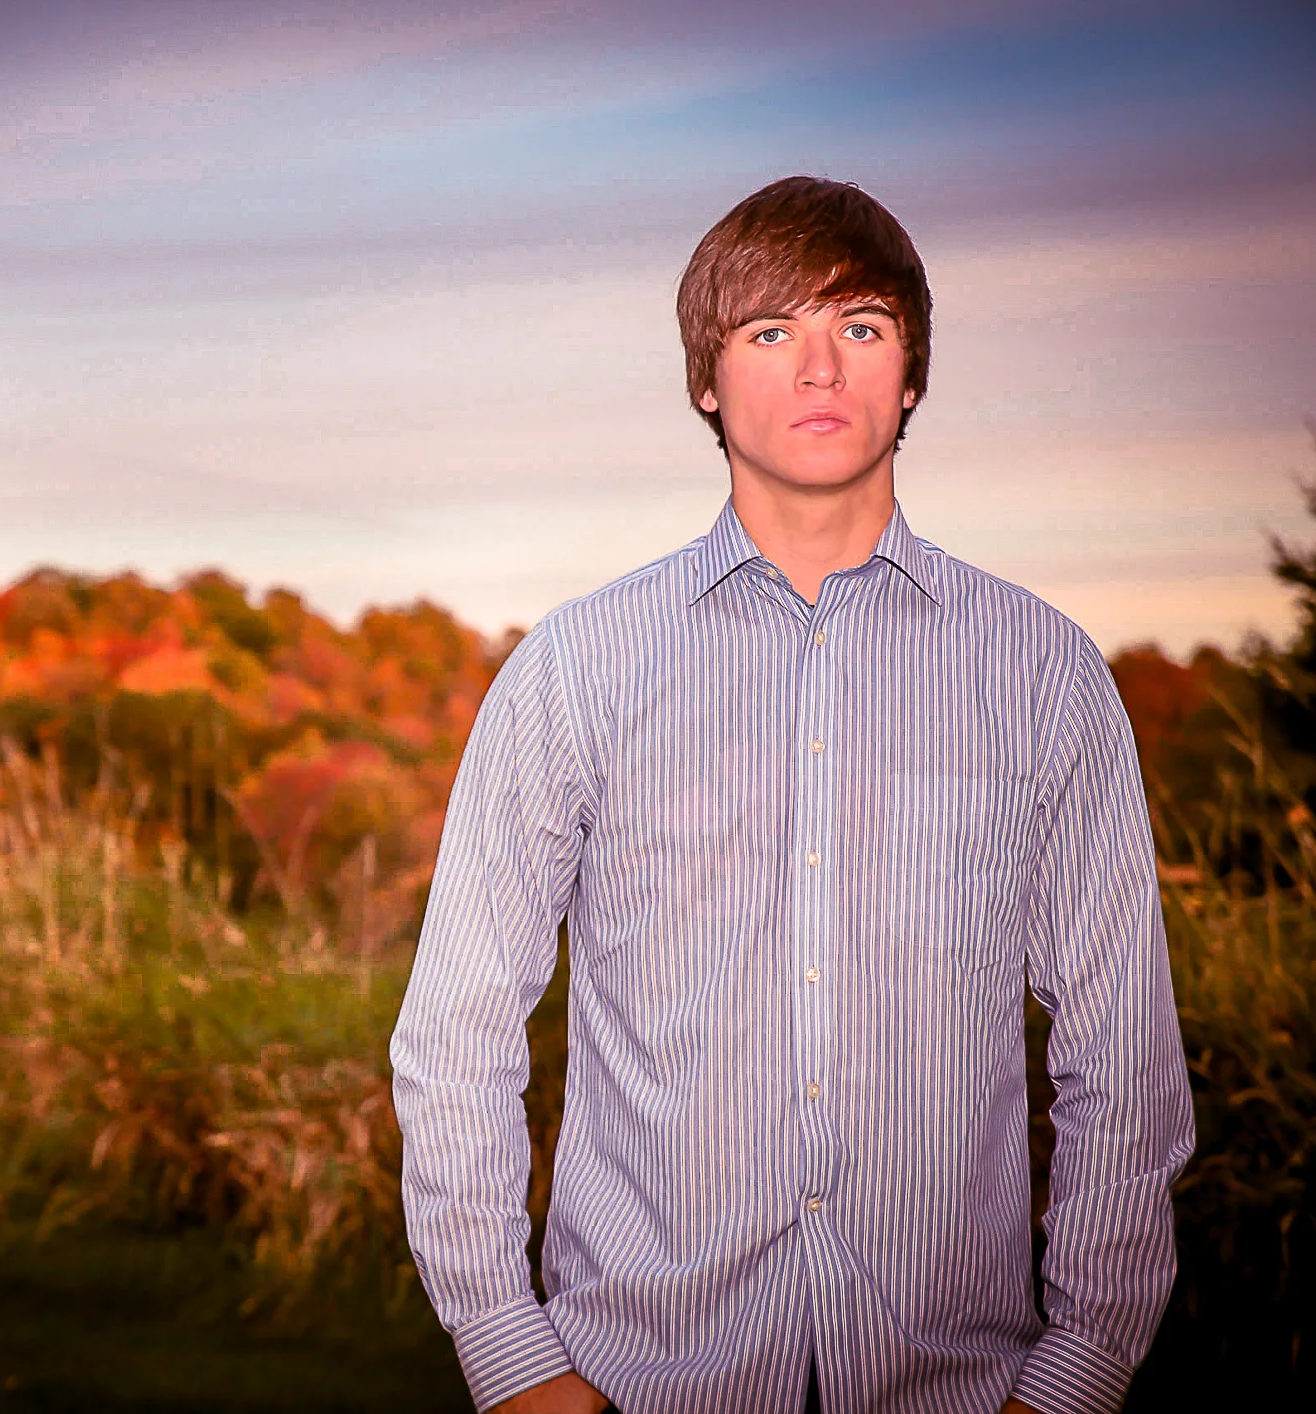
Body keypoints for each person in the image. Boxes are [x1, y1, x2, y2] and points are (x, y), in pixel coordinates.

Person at [389, 176, 1194, 1414]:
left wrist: (1077, 1372)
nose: (821, 368)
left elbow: (1124, 1056)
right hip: (636, 1378)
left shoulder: (1043, 673)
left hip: (961, 1385)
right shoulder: (576, 669)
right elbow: (457, 1032)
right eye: (772, 332)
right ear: (707, 382)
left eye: (860, 327)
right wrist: (513, 1361)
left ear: (912, 373)